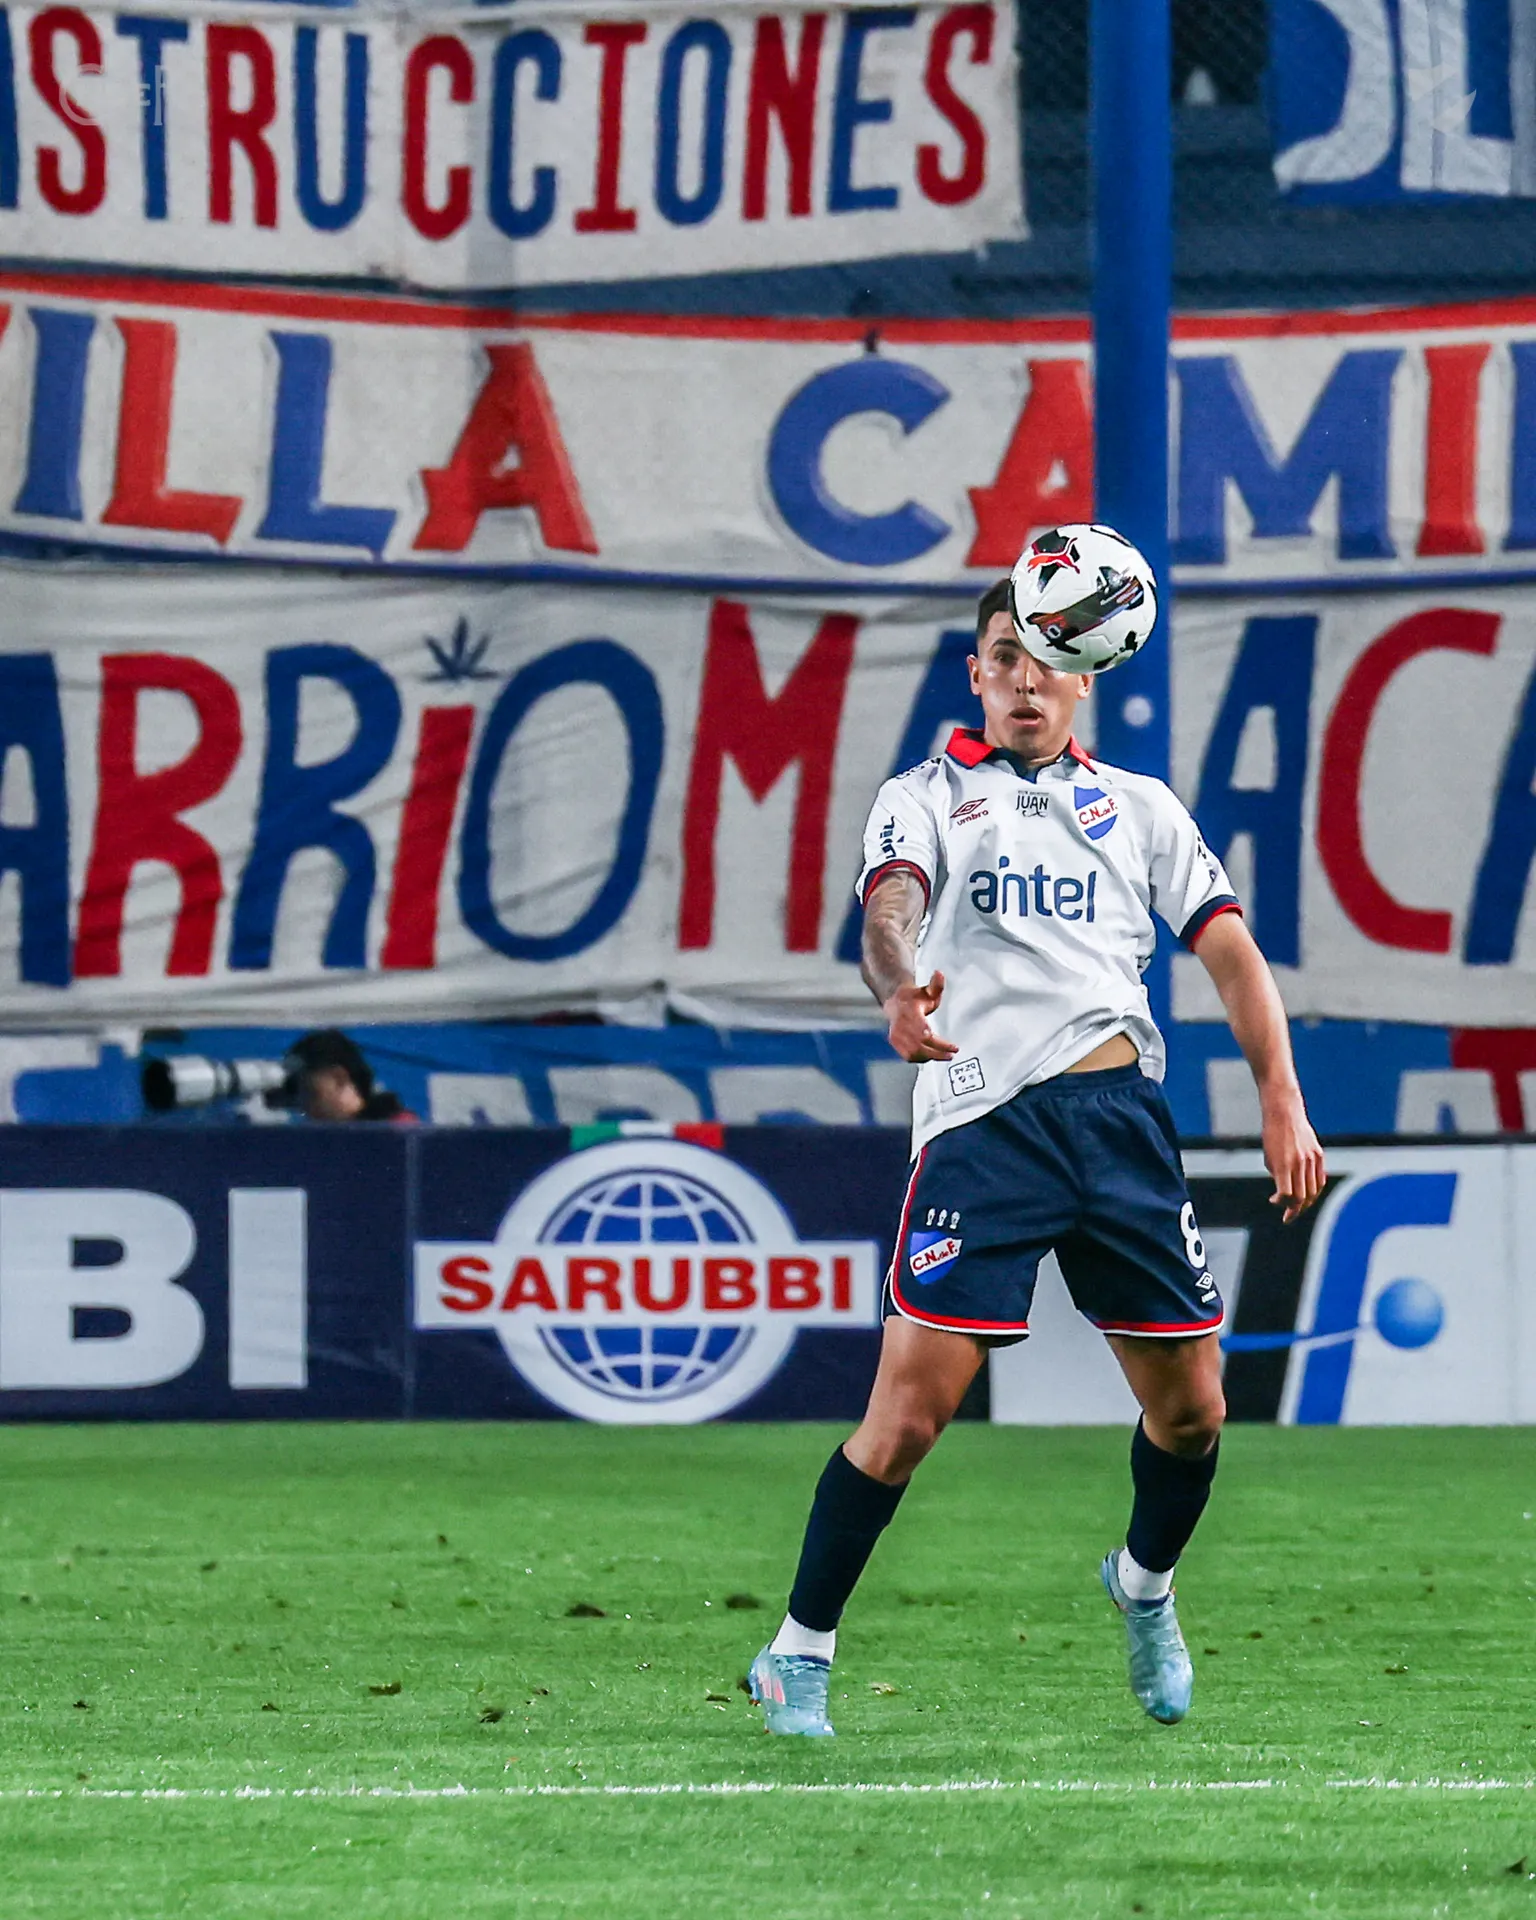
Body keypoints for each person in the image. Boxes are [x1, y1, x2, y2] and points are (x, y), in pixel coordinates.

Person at [748, 571, 1325, 1736]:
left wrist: (1282, 1096)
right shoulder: (925, 795)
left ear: (1088, 671)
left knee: (1195, 1414)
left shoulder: (1141, 808)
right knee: (908, 1420)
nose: (1025, 680)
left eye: (1049, 658)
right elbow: (890, 907)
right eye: (1005, 657)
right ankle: (797, 1653)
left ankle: (1143, 1586)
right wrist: (899, 988)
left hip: (1119, 1129)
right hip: (985, 1130)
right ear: (976, 673)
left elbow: (1230, 952)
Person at [284, 1030, 416, 1123]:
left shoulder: (394, 1130)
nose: (305, 1108)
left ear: (339, 1078)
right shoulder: (328, 1143)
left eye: (311, 1094)